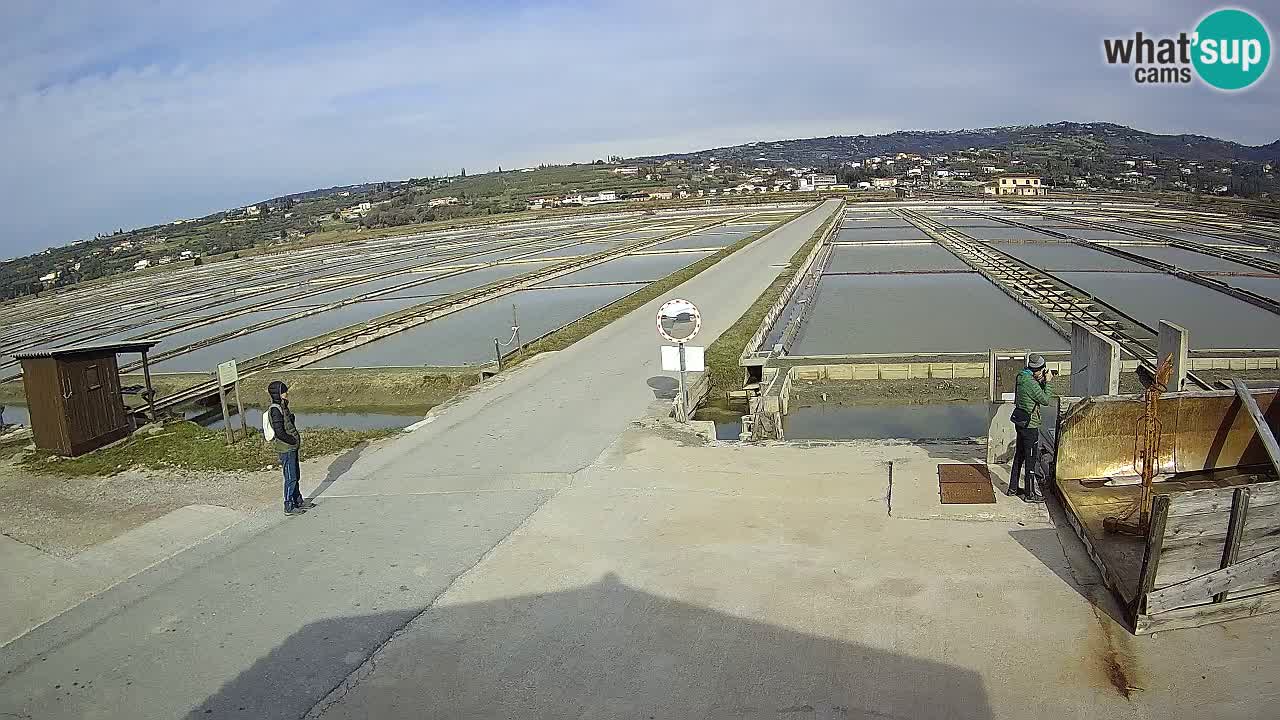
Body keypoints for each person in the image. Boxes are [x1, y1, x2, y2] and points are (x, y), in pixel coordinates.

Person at [1009, 353, 1056, 503]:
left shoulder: (1022, 377)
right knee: (1030, 459)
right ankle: (1030, 494)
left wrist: (1040, 380)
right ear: (1039, 370)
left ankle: (1013, 488)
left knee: (1019, 456)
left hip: (1020, 422)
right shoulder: (1031, 383)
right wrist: (1048, 382)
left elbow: (1032, 395)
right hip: (1030, 425)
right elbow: (1045, 400)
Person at [267, 381, 314, 515]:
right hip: (286, 448)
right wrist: (292, 441)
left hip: (292, 447)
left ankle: (298, 500)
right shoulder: (275, 409)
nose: (287, 394)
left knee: (296, 475)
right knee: (290, 476)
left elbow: (288, 424)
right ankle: (288, 505)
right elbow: (280, 432)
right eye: (284, 391)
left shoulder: (283, 407)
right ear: (278, 394)